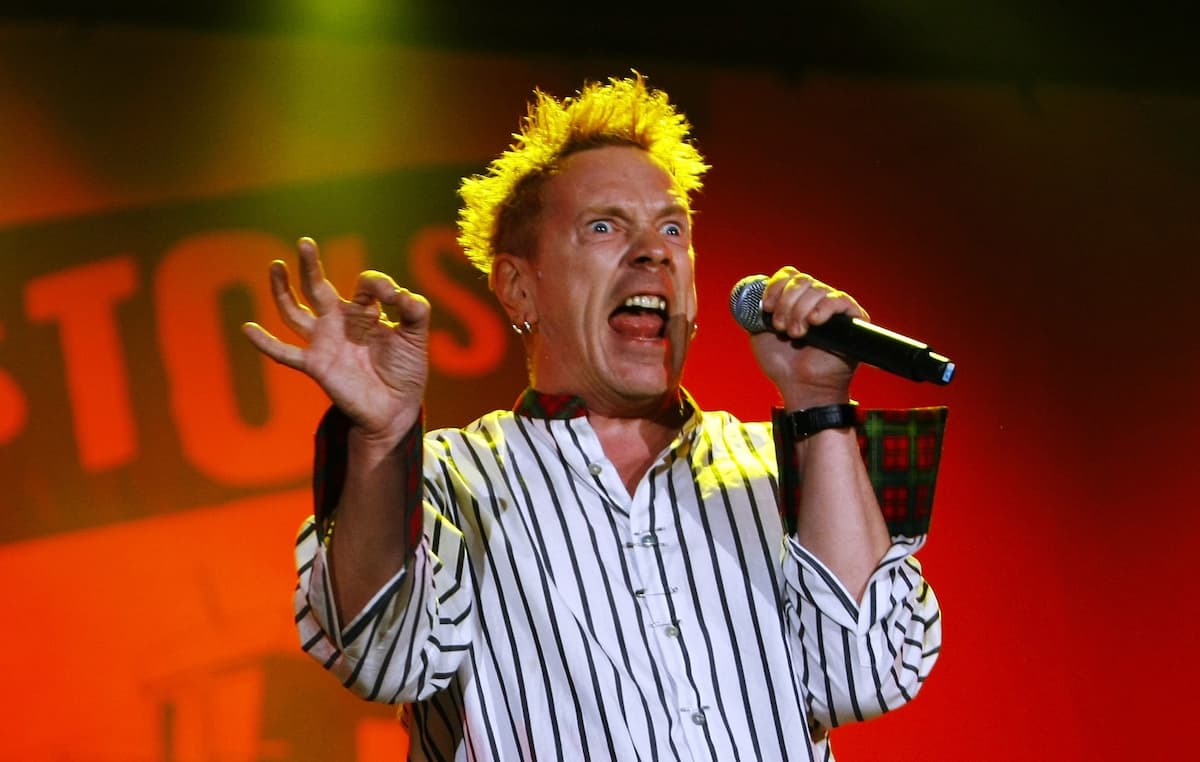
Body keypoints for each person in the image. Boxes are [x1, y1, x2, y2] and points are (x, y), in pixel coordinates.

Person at [244, 73, 947, 761]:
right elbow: (382, 660)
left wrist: (819, 404)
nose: (653, 251)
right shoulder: (447, 481)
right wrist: (381, 439)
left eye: (672, 228)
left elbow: (867, 677)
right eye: (604, 226)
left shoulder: (786, 470)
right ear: (519, 287)